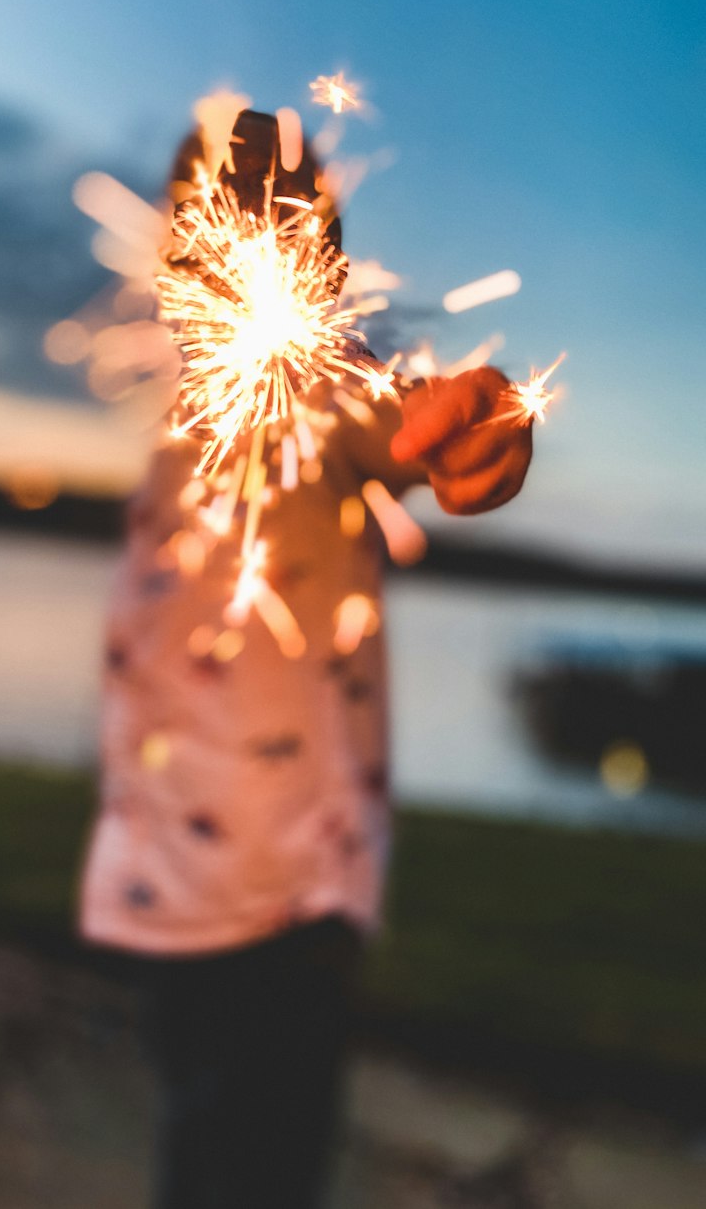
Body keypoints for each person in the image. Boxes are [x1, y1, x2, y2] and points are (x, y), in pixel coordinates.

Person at [78, 108, 533, 1209]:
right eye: (203, 235)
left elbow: (407, 418)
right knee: (196, 1149)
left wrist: (477, 423)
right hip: (165, 892)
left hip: (285, 898)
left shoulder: (319, 395)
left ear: (313, 261)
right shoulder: (182, 431)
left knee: (255, 1173)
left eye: (266, 228)